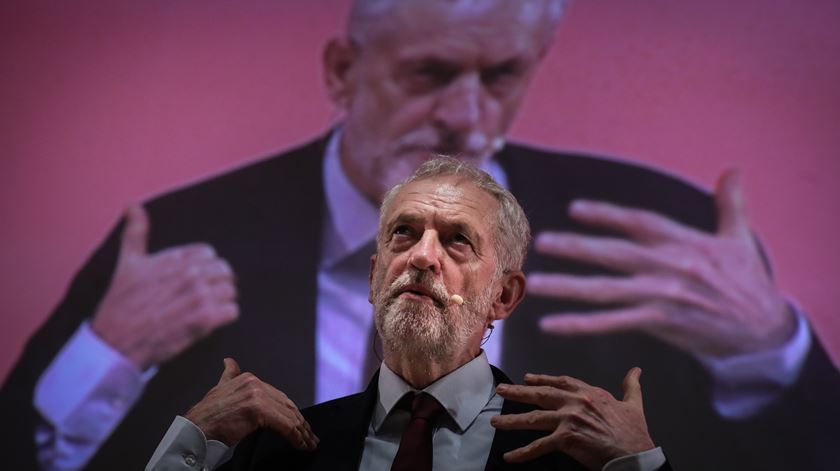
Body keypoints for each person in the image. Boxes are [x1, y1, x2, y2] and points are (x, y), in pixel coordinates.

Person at [1, 0, 837, 469]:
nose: (467, 115)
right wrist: (103, 358)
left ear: (509, 290)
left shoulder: (669, 240)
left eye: (502, 75)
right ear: (342, 71)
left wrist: (771, 349)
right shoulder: (178, 239)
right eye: (430, 73)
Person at [146, 159, 671, 471]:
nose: (421, 256)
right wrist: (194, 440)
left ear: (504, 297)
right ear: (376, 277)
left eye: (456, 240)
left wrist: (640, 464)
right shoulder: (283, 452)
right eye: (405, 232)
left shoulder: (568, 452)